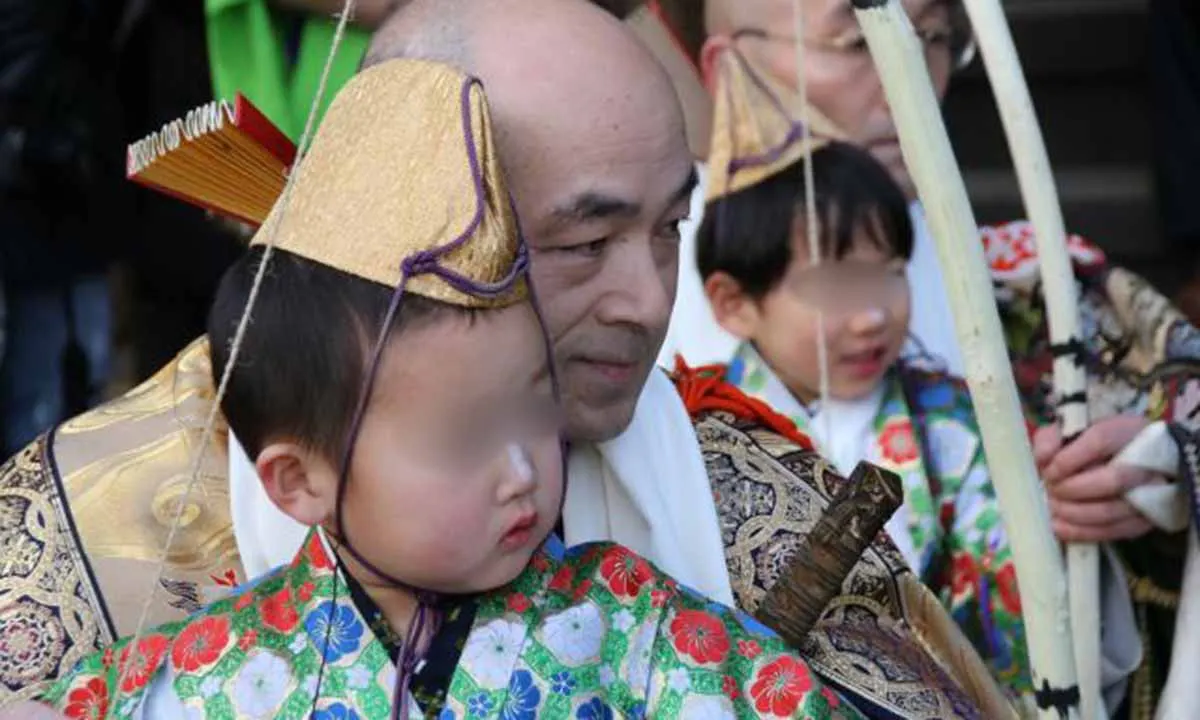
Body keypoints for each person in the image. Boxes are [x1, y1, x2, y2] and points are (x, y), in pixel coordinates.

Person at [0, 0, 1011, 716]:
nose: (648, 299)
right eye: (585, 241)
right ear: (409, 230)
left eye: (670, 229)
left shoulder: (755, 499)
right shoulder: (88, 526)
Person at [648, 0, 1200, 714]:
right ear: (726, 64)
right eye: (858, 40)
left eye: (933, 37)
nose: (906, 76)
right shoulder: (617, 310)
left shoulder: (1035, 285)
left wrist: (1152, 473)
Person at [696, 136, 1028, 692]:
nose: (873, 315)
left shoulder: (952, 422)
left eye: (890, 273)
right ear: (735, 303)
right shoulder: (697, 424)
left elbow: (1010, 596)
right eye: (835, 285)